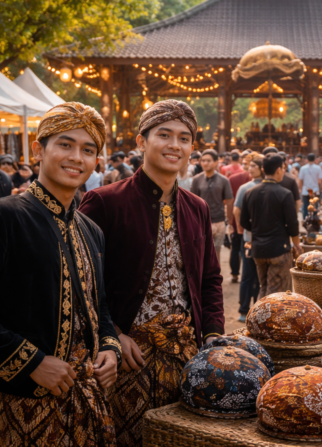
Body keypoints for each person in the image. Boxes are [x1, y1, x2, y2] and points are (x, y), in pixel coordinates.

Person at [0, 103, 121, 445]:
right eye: (65, 144)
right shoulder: (0, 217)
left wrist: (109, 347)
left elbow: (100, 305)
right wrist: (31, 362)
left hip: (88, 400)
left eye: (88, 149)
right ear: (39, 150)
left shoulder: (91, 230)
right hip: (25, 404)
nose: (76, 157)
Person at [79, 100, 225, 446]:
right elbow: (80, 283)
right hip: (126, 361)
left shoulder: (197, 207)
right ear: (142, 142)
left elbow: (210, 279)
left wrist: (213, 336)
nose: (175, 145)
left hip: (187, 361)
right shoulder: (103, 202)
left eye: (184, 138)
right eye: (164, 135)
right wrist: (111, 334)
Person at [241, 154, 300, 298]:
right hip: (278, 249)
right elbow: (293, 224)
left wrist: (257, 228)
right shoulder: (285, 194)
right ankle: (269, 320)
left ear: (262, 169)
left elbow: (243, 222)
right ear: (279, 169)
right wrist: (297, 245)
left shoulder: (250, 193)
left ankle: (260, 318)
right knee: (277, 292)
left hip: (258, 249)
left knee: (264, 287)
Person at [233, 154, 264, 322]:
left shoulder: (246, 188)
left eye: (253, 166)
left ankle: (246, 309)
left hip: (249, 237)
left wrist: (241, 228)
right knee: (254, 275)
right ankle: (250, 308)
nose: (249, 168)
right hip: (257, 238)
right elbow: (236, 210)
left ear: (262, 169)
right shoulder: (246, 187)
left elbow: (237, 210)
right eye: (249, 165)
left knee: (249, 274)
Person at [190, 149, 234, 265]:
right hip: (201, 222)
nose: (205, 163)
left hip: (219, 221)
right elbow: (192, 202)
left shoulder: (223, 180)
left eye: (208, 161)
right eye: (203, 161)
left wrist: (229, 222)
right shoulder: (196, 180)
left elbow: (229, 201)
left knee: (216, 252)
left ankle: (215, 280)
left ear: (216, 163)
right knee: (201, 252)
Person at [227, 154, 252, 284]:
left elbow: (230, 202)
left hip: (235, 219)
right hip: (251, 222)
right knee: (246, 248)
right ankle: (247, 275)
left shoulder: (232, 178)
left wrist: (231, 221)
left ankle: (235, 274)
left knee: (236, 247)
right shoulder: (255, 181)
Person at [298, 153, 322, 220]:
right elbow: (320, 181)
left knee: (306, 206)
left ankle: (305, 220)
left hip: (306, 190)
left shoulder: (303, 168)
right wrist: (320, 189)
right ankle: (315, 220)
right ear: (315, 159)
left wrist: (301, 189)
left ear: (307, 160)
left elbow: (300, 180)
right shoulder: (318, 168)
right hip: (315, 190)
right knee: (315, 206)